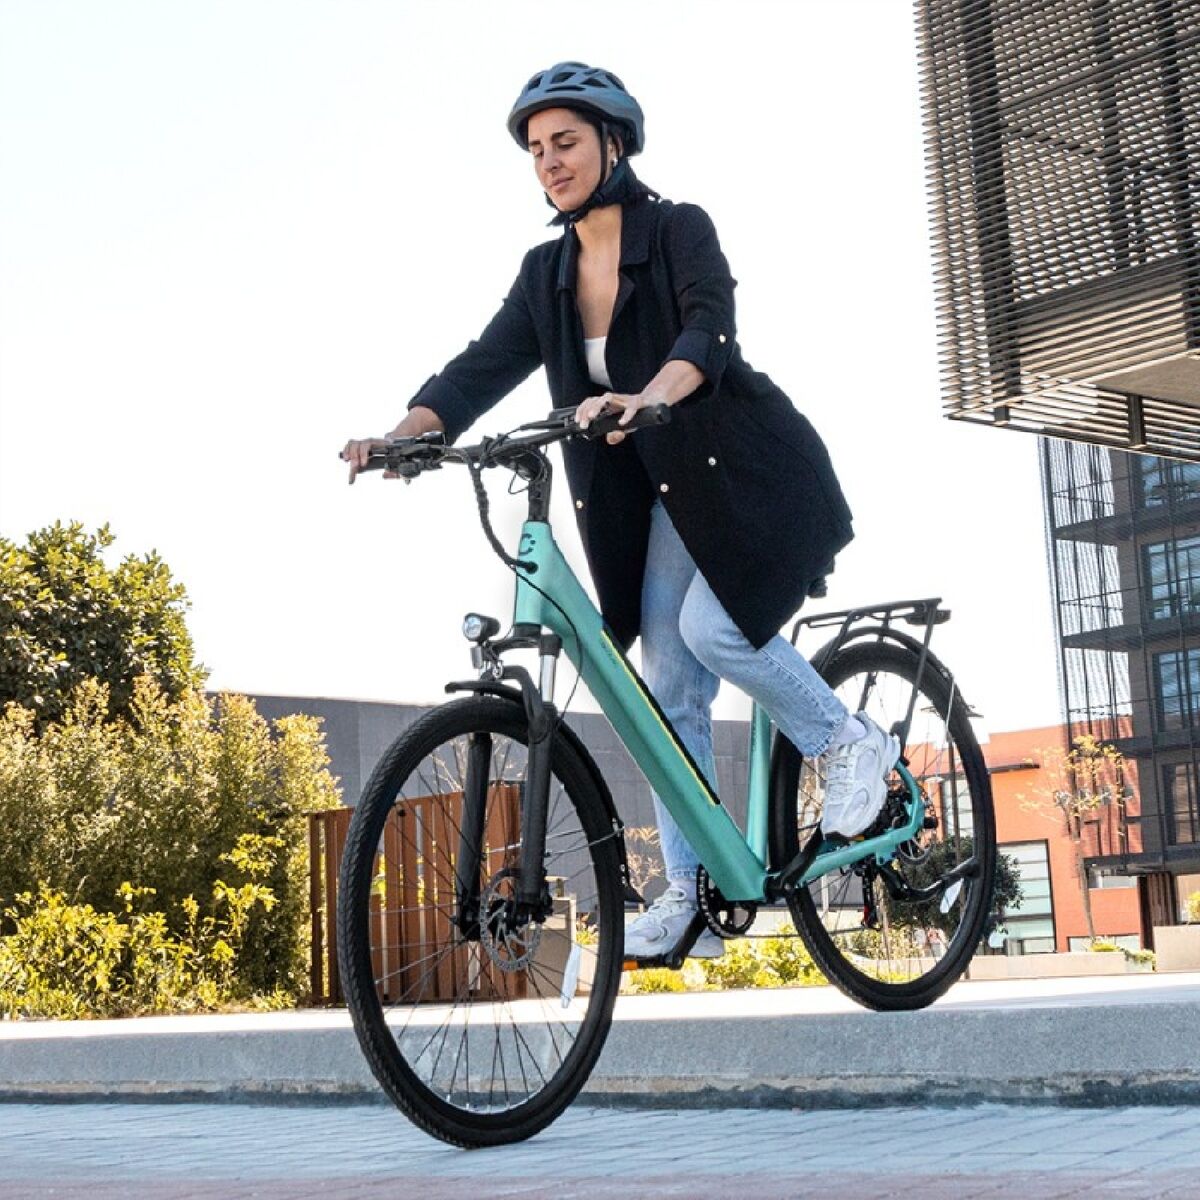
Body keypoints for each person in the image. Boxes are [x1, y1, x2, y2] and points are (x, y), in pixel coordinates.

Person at [342, 62, 899, 961]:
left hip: (747, 477)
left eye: (565, 142)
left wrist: (648, 396)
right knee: (666, 689)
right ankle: (693, 893)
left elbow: (708, 333)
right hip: (663, 503)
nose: (549, 163)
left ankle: (848, 740)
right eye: (536, 150)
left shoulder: (677, 230)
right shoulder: (546, 273)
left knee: (713, 634)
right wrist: (403, 435)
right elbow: (481, 366)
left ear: (614, 143)